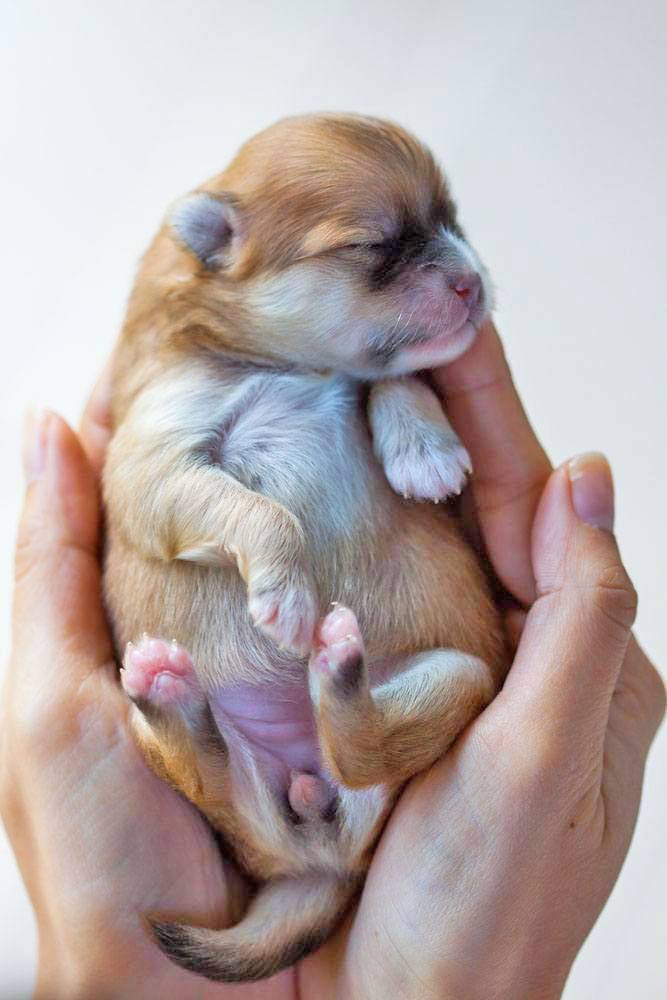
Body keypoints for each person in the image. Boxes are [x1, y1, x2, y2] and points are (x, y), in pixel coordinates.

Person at [1, 321, 663, 999]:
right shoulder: (213, 377)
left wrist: (121, 977)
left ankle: (205, 715)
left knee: (419, 691)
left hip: (320, 759)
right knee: (446, 680)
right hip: (330, 766)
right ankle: (283, 714)